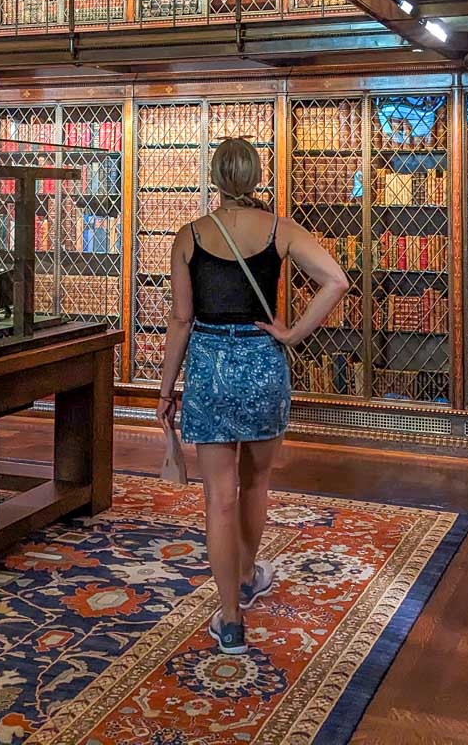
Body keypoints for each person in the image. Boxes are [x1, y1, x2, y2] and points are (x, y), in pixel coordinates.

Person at [157, 137, 350, 654]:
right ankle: (247, 574)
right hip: (263, 365)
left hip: (210, 369)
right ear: (256, 176)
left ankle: (230, 618)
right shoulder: (281, 231)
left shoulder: (188, 238)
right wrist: (291, 334)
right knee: (256, 482)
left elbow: (180, 320)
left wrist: (164, 389)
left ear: (216, 177)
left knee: (219, 498)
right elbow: (336, 280)